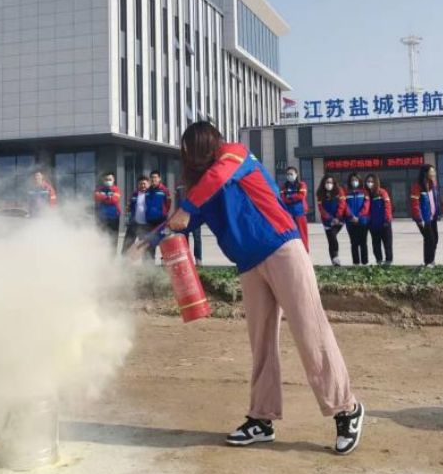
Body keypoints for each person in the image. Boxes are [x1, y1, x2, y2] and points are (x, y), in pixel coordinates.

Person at [155, 122, 365, 453]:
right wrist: (148, 240)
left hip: (282, 248)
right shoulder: (202, 187)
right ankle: (261, 420)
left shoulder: (234, 155)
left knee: (310, 331)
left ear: (204, 144)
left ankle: (346, 409)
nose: (187, 157)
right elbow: (184, 221)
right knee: (261, 343)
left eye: (189, 149)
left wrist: (186, 208)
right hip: (249, 263)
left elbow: (213, 183)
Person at [411, 164, 441, 266]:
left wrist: (438, 213)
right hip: (424, 219)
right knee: (430, 240)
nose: (434, 173)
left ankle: (430, 261)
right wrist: (419, 219)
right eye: (431, 172)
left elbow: (435, 200)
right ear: (425, 173)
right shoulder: (417, 186)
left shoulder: (433, 184)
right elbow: (415, 204)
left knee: (435, 239)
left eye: (434, 171)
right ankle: (429, 262)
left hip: (432, 217)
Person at [317, 175, 347, 267]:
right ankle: (335, 260)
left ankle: (335, 256)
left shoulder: (339, 191)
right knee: (330, 238)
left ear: (334, 183)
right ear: (323, 183)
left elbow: (342, 204)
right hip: (327, 221)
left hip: (339, 220)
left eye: (330, 182)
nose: (329, 184)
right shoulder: (320, 193)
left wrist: (337, 217)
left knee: (332, 235)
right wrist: (330, 218)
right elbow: (321, 208)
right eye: (327, 182)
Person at [363, 173, 393, 266]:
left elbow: (387, 206)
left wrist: (387, 220)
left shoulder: (382, 192)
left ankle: (388, 261)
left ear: (376, 182)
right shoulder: (366, 195)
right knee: (376, 245)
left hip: (384, 223)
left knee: (387, 243)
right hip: (373, 225)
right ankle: (379, 261)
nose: (370, 183)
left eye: (372, 181)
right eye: (368, 181)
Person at [343, 173, 370, 265]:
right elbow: (344, 206)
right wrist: (351, 216)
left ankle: (365, 262)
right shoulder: (346, 192)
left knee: (363, 243)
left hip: (363, 221)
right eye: (352, 180)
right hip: (350, 222)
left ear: (359, 181)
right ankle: (356, 263)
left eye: (356, 180)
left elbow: (366, 206)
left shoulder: (364, 192)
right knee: (354, 243)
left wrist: (358, 216)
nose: (354, 182)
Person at [280, 167, 309, 252]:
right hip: (288, 214)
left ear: (296, 174)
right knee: (291, 236)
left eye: (291, 174)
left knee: (302, 234)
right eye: (288, 174)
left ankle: (305, 252)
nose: (289, 176)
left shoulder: (302, 185)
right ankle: (294, 253)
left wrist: (289, 196)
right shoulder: (283, 186)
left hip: (300, 213)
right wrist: (294, 197)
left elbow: (301, 196)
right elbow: (282, 198)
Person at [122, 176, 153, 256]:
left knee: (145, 247)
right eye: (140, 184)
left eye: (144, 184)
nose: (142, 185)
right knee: (127, 243)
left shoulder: (152, 194)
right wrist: (128, 208)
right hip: (134, 224)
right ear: (138, 185)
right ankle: (124, 260)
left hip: (146, 225)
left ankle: (147, 262)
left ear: (149, 184)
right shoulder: (134, 194)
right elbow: (129, 205)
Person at [175, 180, 203, 265]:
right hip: (183, 215)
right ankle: (186, 259)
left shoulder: (196, 182)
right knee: (184, 238)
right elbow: (177, 199)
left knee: (197, 238)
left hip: (194, 215)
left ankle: (198, 259)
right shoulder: (178, 184)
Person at [94, 172, 122, 250]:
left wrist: (103, 197)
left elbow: (114, 199)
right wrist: (109, 197)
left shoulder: (116, 189)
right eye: (106, 179)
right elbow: (96, 197)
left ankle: (112, 256)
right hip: (102, 217)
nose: (108, 181)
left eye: (110, 179)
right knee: (101, 237)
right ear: (103, 180)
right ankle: (102, 253)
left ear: (113, 180)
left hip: (114, 217)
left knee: (113, 238)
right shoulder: (99, 189)